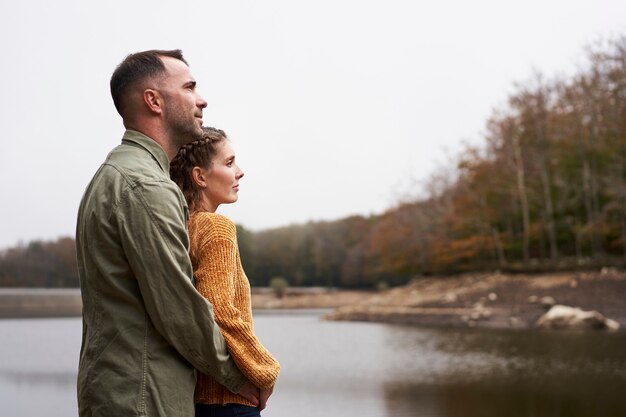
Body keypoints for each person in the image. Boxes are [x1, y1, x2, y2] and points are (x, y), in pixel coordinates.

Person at [75, 50, 260, 417]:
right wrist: (243, 377)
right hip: (144, 400)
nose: (202, 99)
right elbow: (179, 308)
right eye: (190, 87)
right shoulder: (145, 186)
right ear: (153, 101)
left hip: (120, 392)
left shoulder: (112, 174)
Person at [170, 127, 280, 417]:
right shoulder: (216, 228)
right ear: (200, 176)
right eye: (229, 163)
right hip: (230, 402)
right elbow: (219, 311)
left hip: (196, 398)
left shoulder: (181, 227)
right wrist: (265, 371)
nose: (240, 172)